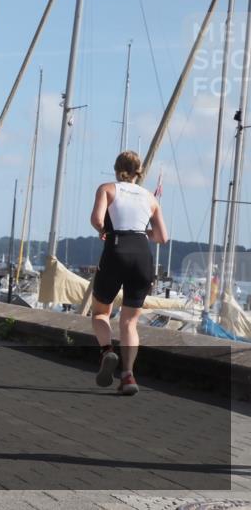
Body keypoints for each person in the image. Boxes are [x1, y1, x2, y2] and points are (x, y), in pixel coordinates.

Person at [89, 150, 168, 396]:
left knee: (101, 313)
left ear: (116, 168)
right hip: (142, 256)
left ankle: (107, 352)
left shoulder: (107, 189)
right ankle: (128, 375)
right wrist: (142, 234)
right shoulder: (150, 198)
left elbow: (96, 219)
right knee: (130, 322)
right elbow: (162, 237)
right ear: (139, 172)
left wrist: (104, 230)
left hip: (116, 250)